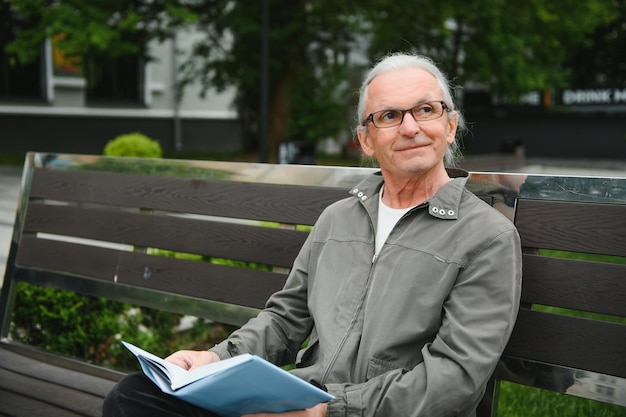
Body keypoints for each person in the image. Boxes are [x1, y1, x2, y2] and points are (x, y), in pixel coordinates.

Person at [103, 52, 522, 417]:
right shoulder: (339, 219)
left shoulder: (486, 238)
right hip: (303, 399)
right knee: (136, 397)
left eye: (426, 110)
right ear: (365, 140)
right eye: (389, 116)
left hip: (370, 411)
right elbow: (285, 320)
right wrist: (212, 359)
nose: (410, 127)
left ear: (450, 125)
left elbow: (455, 379)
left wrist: (329, 409)